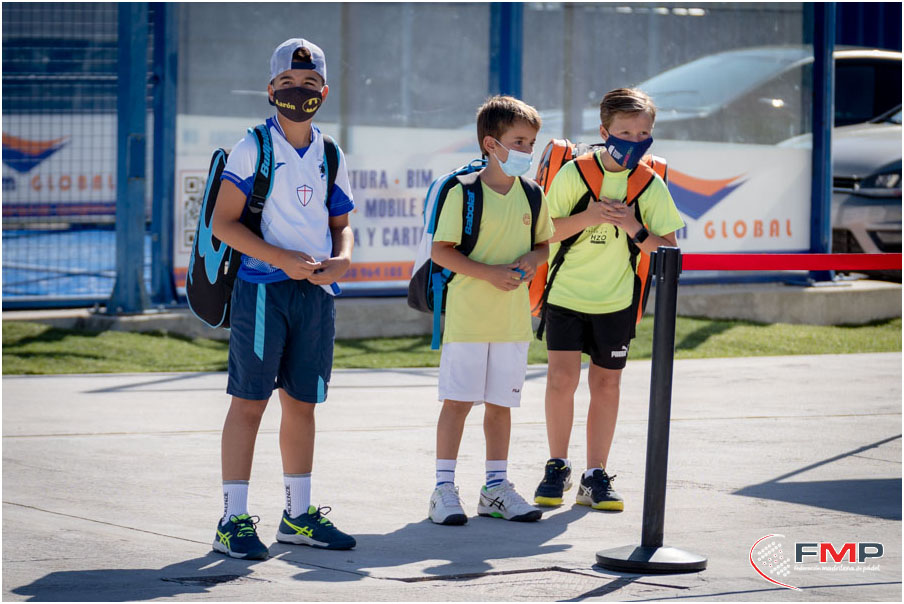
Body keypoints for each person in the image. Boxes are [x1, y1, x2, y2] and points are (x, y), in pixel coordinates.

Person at [209, 38, 356, 558]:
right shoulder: (253, 147)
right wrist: (279, 258)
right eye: (288, 83)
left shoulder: (330, 152)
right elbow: (223, 223)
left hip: (314, 294)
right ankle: (232, 520)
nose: (299, 91)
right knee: (249, 402)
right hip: (263, 292)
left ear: (324, 91)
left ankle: (298, 514)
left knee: (302, 403)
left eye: (309, 83)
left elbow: (341, 225)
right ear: (271, 89)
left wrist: (342, 259)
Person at [533, 88, 685, 511]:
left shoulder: (648, 183)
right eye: (625, 133)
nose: (635, 141)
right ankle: (558, 465)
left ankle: (595, 474)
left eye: (643, 133)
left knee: (607, 385)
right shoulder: (576, 173)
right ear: (604, 133)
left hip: (616, 302)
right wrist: (590, 216)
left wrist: (635, 227)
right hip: (566, 295)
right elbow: (545, 232)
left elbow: (669, 251)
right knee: (561, 380)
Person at [428, 95, 554, 526]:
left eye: (531, 143)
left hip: (512, 323)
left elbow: (543, 245)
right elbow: (441, 251)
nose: (527, 151)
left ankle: (495, 489)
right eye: (519, 142)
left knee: (501, 406)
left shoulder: (533, 194)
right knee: (458, 403)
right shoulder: (462, 192)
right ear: (490, 144)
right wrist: (489, 274)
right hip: (467, 320)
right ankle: (443, 490)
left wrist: (532, 259)